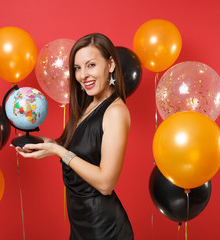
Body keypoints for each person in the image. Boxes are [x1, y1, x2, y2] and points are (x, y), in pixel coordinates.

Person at [15, 33, 134, 240]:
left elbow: (106, 184)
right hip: (82, 224)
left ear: (111, 65)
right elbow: (81, 151)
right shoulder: (89, 104)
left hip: (104, 229)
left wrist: (58, 151)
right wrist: (47, 144)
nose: (83, 75)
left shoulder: (115, 111)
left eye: (91, 65)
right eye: (78, 68)